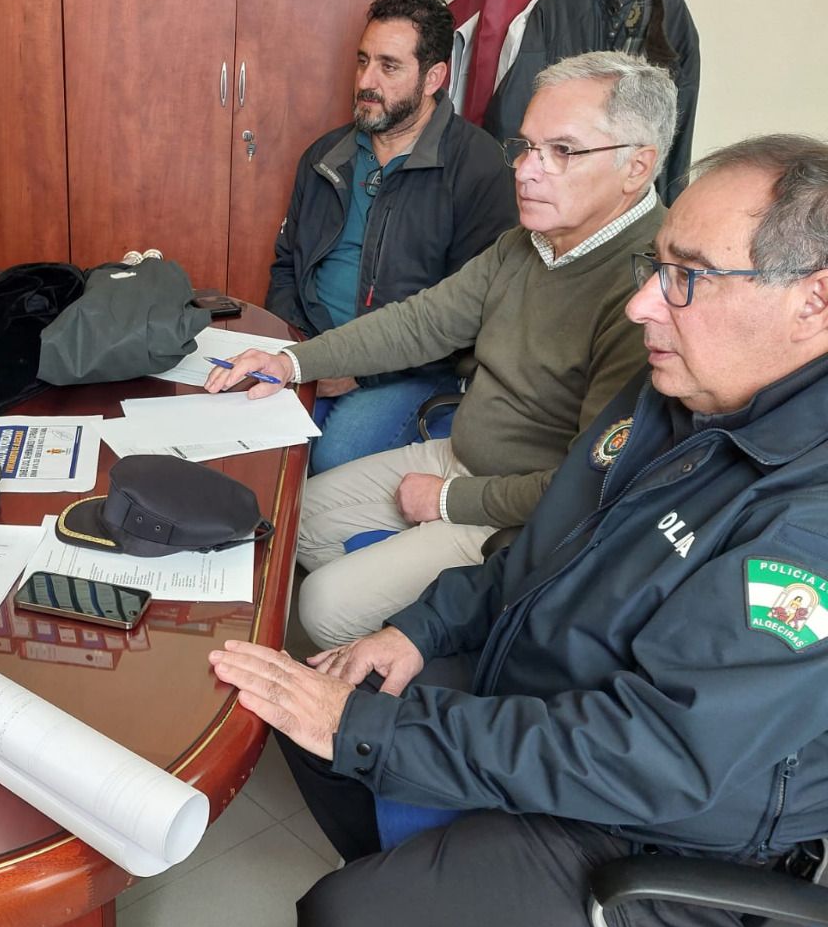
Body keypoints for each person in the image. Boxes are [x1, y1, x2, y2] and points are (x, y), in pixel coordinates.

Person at [208, 134, 828, 927]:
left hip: (668, 825)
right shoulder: (680, 394)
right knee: (315, 689)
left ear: (813, 301)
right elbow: (533, 557)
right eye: (653, 268)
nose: (640, 306)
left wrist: (382, 732)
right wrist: (412, 632)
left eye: (688, 279)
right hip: (564, 704)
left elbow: (657, 760)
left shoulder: (808, 527)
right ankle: (436, 897)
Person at [208, 51, 674, 646]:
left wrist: (452, 502)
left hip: (515, 510)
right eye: (526, 147)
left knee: (323, 607)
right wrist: (293, 360)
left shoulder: (648, 296)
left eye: (562, 151)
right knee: (290, 520)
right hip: (460, 454)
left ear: (637, 166)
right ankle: (409, 615)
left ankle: (429, 642)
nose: (527, 171)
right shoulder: (528, 243)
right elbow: (420, 322)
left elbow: (589, 487)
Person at [267, 0, 516, 475]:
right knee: (256, 439)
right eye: (362, 61)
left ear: (434, 77)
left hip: (404, 369)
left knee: (329, 459)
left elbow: (477, 316)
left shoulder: (479, 168)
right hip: (312, 347)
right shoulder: (324, 156)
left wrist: (358, 370)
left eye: (389, 66)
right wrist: (296, 349)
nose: (365, 80)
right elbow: (285, 265)